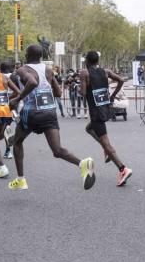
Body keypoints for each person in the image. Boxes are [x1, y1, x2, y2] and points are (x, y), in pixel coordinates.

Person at [7, 44, 95, 191]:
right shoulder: (48, 70)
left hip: (32, 112)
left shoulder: (23, 69)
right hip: (49, 113)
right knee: (57, 150)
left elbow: (33, 82)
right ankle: (83, 164)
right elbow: (59, 93)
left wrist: (17, 99)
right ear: (41, 56)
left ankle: (21, 179)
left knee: (17, 142)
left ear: (27, 55)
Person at [79, 51, 132, 187]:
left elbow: (83, 93)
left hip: (96, 112)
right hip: (105, 108)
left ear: (87, 61)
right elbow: (121, 80)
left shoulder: (84, 73)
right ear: (97, 61)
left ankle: (122, 168)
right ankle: (106, 150)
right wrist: (112, 95)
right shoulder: (106, 71)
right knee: (88, 128)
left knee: (105, 141)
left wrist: (79, 86)